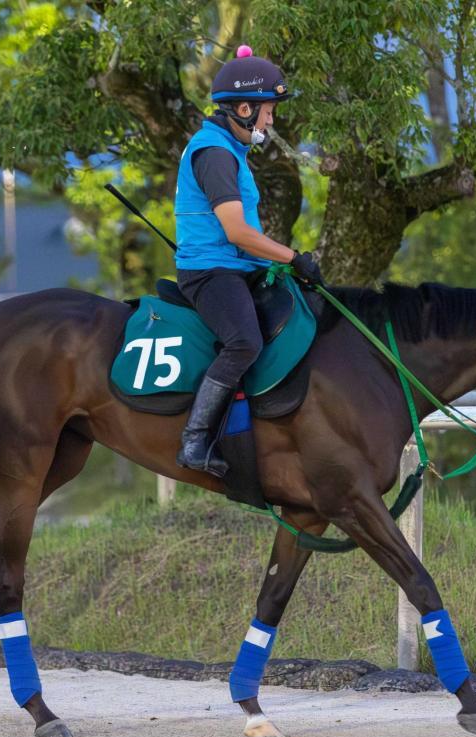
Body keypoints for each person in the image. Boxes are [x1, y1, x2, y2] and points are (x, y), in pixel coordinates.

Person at [173, 44, 323, 477]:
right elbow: (237, 233)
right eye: (268, 111)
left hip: (236, 267)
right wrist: (293, 257)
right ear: (243, 109)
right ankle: (195, 441)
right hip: (210, 272)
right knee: (246, 342)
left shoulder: (230, 150)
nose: (271, 119)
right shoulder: (215, 153)